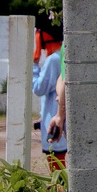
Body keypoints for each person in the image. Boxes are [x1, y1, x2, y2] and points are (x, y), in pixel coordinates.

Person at [33, 30, 65, 170]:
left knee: (57, 172)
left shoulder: (53, 60)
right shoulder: (61, 56)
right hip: (59, 120)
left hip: (53, 122)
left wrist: (34, 65)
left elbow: (38, 88)